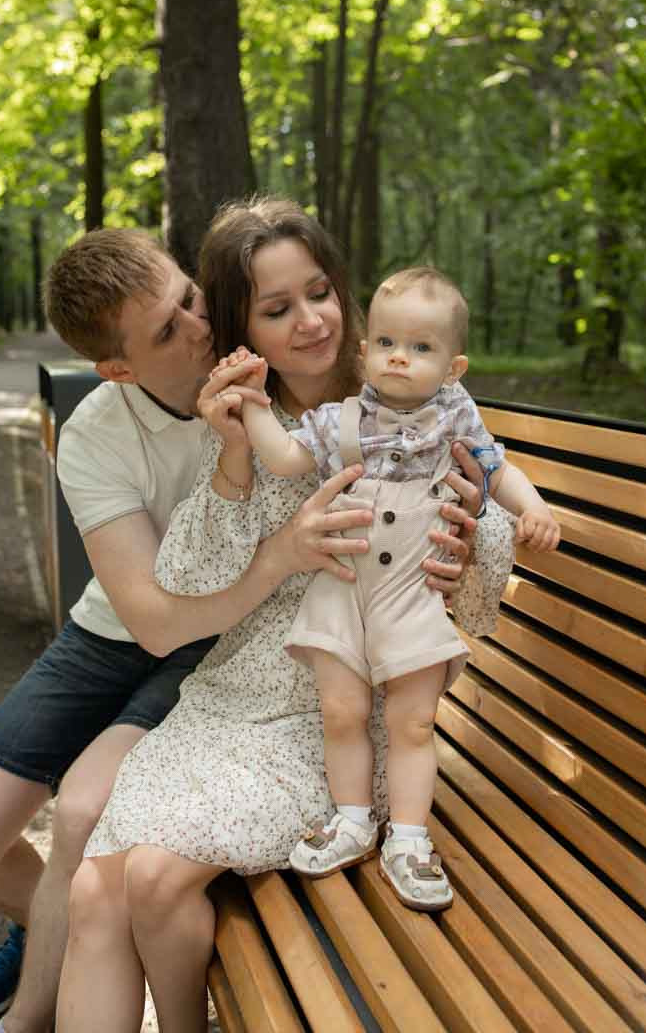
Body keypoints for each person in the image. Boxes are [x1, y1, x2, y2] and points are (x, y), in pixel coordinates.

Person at [55, 197, 516, 1033]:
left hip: (341, 719)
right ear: (244, 330)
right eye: (277, 309)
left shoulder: (408, 410)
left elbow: (480, 601)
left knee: (152, 879)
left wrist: (469, 539)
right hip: (230, 706)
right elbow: (188, 584)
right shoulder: (248, 425)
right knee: (96, 889)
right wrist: (234, 456)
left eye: (320, 293)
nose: (311, 322)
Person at [0, 227, 390, 1032]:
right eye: (167, 330)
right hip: (119, 633)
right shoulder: (99, 431)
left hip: (224, 648)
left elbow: (346, 366)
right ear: (118, 367)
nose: (200, 328)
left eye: (191, 299)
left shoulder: (266, 366)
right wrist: (274, 560)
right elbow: (149, 616)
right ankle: (44, 923)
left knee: (80, 816)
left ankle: (26, 1015)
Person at [233, 264, 559, 910]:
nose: (400, 359)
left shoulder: (457, 422)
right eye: (386, 344)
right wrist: (249, 403)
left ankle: (408, 839)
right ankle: (352, 820)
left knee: (413, 722)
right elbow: (283, 457)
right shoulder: (339, 421)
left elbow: (498, 468)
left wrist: (534, 508)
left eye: (420, 348)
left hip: (411, 593)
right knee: (343, 712)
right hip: (341, 588)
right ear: (365, 350)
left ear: (454, 366)